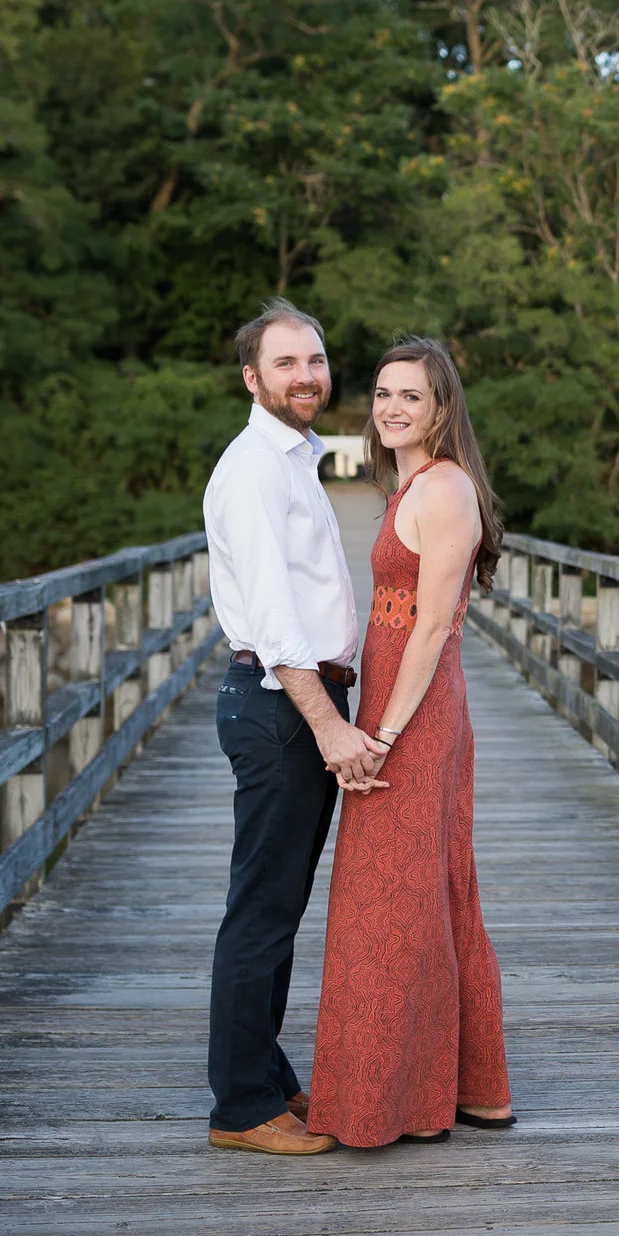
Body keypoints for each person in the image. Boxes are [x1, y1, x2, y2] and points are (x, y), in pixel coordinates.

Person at [308, 336, 513, 1147]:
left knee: (390, 896)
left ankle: (396, 1099)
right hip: (403, 708)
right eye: (383, 393)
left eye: (411, 396)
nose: (391, 407)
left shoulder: (446, 489)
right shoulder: (413, 483)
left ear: (441, 408)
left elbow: (432, 627)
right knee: (422, 889)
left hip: (414, 720)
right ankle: (466, 1086)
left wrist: (382, 733)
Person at [201, 299, 378, 1155]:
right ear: (252, 377)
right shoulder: (253, 470)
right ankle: (239, 1107)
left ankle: (265, 1075)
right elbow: (274, 625)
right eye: (285, 363)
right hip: (280, 706)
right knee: (261, 912)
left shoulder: (293, 459)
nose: (306, 375)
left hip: (294, 702)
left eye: (314, 359)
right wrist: (329, 728)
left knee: (280, 906)